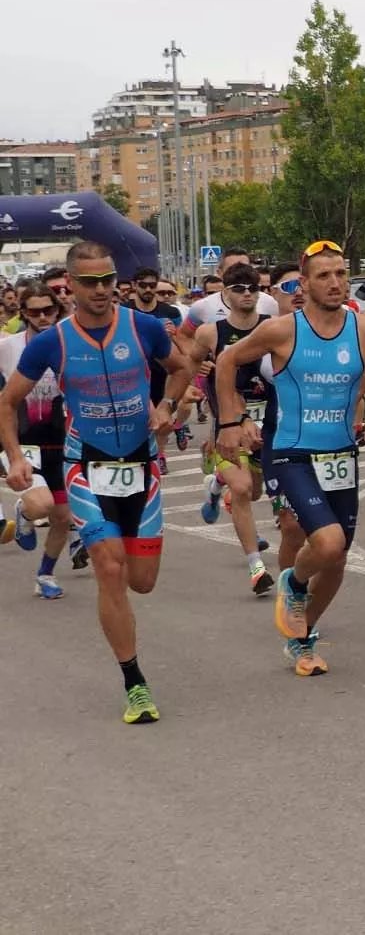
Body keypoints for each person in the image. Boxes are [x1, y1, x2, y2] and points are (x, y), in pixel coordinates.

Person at [0, 241, 193, 723]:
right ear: (71, 286)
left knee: (141, 582)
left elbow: (181, 368)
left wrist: (167, 406)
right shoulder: (53, 342)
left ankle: (119, 593)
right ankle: (135, 683)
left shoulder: (143, 327)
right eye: (90, 282)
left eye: (108, 279)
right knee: (108, 567)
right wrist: (16, 457)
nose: (102, 289)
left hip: (141, 467)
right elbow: (7, 402)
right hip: (85, 465)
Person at [215, 240, 365, 677]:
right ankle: (294, 583)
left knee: (337, 560)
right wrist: (231, 420)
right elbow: (226, 362)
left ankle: (303, 640)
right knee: (327, 542)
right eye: (324, 275)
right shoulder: (282, 330)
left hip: (340, 454)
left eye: (340, 273)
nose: (335, 283)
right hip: (292, 452)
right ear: (304, 282)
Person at [186, 263, 275, 595]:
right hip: (229, 423)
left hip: (267, 423)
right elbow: (190, 361)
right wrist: (191, 384)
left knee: (254, 491)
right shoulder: (211, 332)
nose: (248, 294)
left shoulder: (274, 327)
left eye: (253, 288)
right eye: (239, 289)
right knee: (240, 491)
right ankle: (256, 567)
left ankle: (214, 484)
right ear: (225, 294)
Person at [0, 282, 74, 598]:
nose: (42, 317)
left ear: (57, 310)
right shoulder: (7, 347)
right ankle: (26, 512)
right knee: (42, 504)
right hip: (21, 440)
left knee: (62, 517)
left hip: (60, 439)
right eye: (35, 312)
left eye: (48, 310)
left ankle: (45, 574)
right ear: (24, 313)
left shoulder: (71, 343)